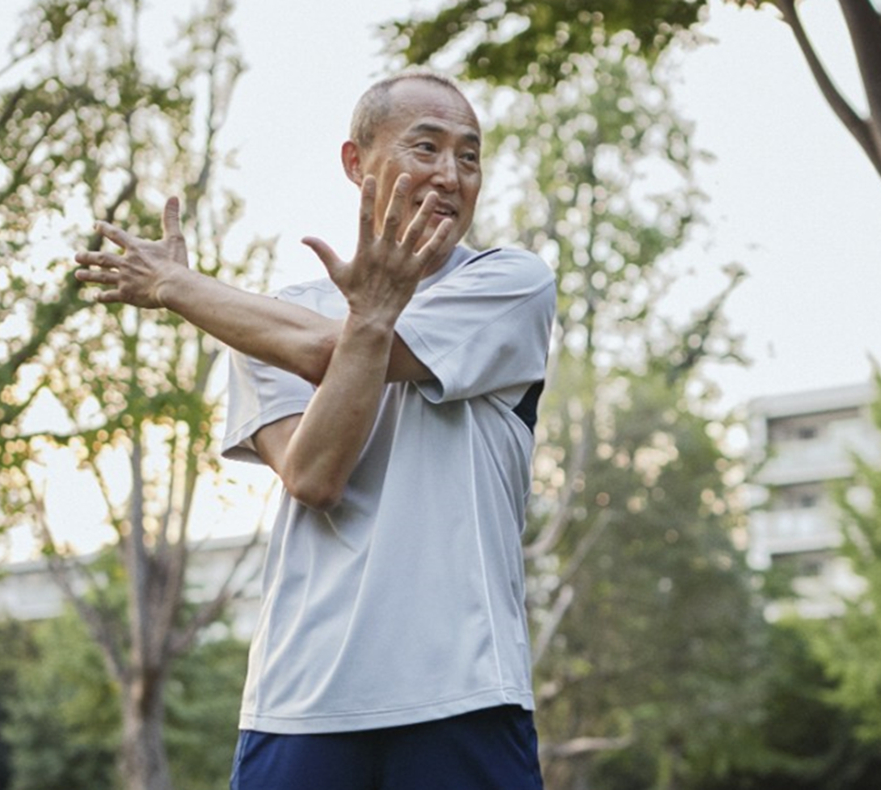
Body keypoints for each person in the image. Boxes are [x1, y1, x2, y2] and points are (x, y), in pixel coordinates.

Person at [73, 71, 554, 790]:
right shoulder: (269, 320)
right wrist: (361, 315)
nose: (450, 176)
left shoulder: (508, 284)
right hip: (302, 704)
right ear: (357, 164)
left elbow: (335, 349)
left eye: (469, 156)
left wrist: (180, 288)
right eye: (426, 148)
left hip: (465, 692)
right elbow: (314, 476)